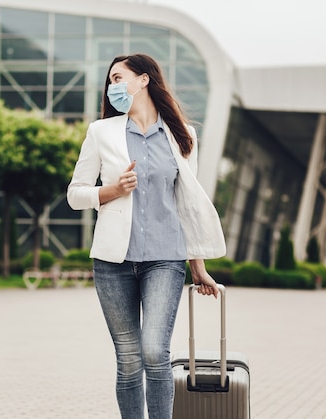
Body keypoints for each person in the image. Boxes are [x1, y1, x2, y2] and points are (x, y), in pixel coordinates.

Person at [67, 54, 226, 418]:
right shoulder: (100, 131)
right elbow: (75, 194)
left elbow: (187, 204)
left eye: (118, 77)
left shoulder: (182, 134)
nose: (112, 86)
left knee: (155, 352)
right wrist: (111, 190)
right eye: (109, 80)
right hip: (113, 262)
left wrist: (197, 266)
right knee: (128, 360)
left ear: (143, 80)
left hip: (165, 259)